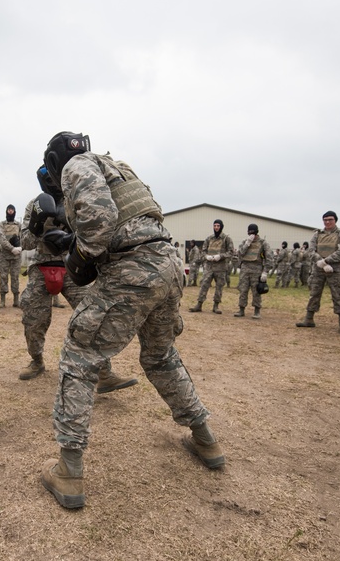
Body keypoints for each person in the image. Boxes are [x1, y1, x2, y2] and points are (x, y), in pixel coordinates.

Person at [37, 132, 224, 510]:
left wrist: (78, 251)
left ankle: (69, 472)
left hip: (134, 268)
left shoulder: (77, 165)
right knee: (160, 356)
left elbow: (100, 225)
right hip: (167, 264)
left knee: (80, 356)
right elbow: (130, 219)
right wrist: (72, 239)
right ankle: (206, 439)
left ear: (55, 162)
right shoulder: (117, 168)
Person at [17, 167, 136, 394]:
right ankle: (37, 360)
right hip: (41, 266)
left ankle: (104, 372)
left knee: (91, 316)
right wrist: (37, 222)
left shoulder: (75, 200)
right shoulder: (35, 205)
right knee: (33, 319)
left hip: (72, 266)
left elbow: (92, 230)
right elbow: (25, 242)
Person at [296, 211, 340, 334]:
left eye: (330, 219)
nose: (327, 222)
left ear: (335, 220)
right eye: (325, 220)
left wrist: (327, 261)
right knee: (314, 293)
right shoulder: (317, 235)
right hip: (318, 268)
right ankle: (309, 319)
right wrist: (321, 262)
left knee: (339, 295)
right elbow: (311, 250)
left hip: (335, 269)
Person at [189, 219, 235, 314]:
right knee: (204, 285)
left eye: (218, 226)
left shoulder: (226, 239)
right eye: (215, 226)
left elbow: (231, 252)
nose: (216, 228)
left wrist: (221, 256)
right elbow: (203, 251)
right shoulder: (209, 238)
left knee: (219, 287)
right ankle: (199, 304)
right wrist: (206, 256)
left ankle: (216, 306)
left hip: (221, 267)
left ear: (221, 227)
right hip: (209, 267)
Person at [234, 223, 273, 319]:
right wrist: (247, 244)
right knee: (243, 289)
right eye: (250, 233)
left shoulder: (263, 243)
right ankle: (241, 309)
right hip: (245, 268)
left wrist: (265, 271)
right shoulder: (245, 242)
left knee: (256, 291)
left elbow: (269, 258)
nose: (252, 235)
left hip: (257, 268)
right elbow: (240, 254)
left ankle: (257, 310)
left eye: (253, 233)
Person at [0, 204, 23, 308]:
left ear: (14, 211)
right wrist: (12, 248)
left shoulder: (19, 225)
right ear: (6, 211)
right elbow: (2, 239)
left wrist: (21, 247)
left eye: (12, 210)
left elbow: (23, 237)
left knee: (15, 277)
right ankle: (2, 301)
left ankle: (16, 300)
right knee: (3, 277)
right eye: (9, 210)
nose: (10, 211)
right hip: (5, 255)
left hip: (16, 256)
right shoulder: (1, 224)